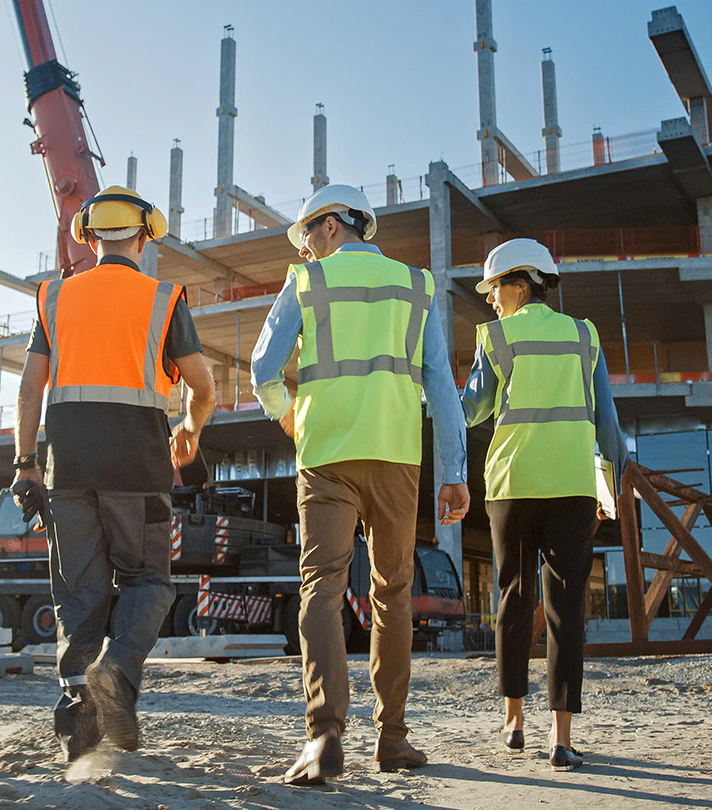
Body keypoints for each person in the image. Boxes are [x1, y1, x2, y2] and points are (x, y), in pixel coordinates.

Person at [251, 184, 470, 785]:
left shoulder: (306, 284)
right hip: (398, 458)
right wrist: (454, 473)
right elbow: (441, 388)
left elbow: (261, 369)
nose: (307, 253)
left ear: (327, 227)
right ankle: (392, 740)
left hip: (325, 457)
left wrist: (289, 414)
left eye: (307, 239)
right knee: (392, 594)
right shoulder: (416, 286)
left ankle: (323, 737)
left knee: (320, 590)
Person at [13, 186, 216, 761]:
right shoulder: (163, 297)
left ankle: (79, 734)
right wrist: (190, 430)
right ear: (145, 235)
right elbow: (204, 389)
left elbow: (30, 387)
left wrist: (26, 463)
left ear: (89, 235)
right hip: (139, 467)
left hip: (68, 470)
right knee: (148, 582)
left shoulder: (53, 297)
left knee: (81, 594)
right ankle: (118, 670)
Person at [461, 238, 627, 772]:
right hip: (572, 485)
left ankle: (513, 722)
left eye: (494, 288)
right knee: (566, 609)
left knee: (512, 597)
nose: (489, 299)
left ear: (521, 283)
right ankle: (561, 737)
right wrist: (609, 487)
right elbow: (609, 423)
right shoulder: (585, 335)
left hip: (511, 485)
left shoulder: (495, 338)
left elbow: (471, 411)